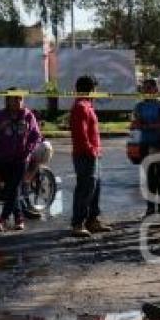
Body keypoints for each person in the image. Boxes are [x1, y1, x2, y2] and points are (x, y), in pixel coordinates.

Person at [70, 75, 112, 238]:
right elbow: (80, 134)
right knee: (85, 189)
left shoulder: (87, 105)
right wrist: (91, 150)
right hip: (85, 155)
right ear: (92, 89)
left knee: (95, 188)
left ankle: (92, 220)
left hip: (93, 154)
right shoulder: (81, 106)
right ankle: (77, 223)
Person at [0, 90, 41, 232]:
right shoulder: (0, 116)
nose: (18, 102)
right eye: (14, 99)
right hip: (3, 159)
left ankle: (1, 220)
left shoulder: (28, 115)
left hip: (21, 160)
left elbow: (35, 135)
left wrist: (28, 149)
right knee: (11, 190)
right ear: (7, 100)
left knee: (12, 188)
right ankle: (19, 218)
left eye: (20, 99)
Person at [133, 78, 160, 216]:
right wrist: (153, 126)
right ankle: (151, 207)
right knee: (149, 177)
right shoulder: (139, 106)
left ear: (156, 90)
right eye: (144, 88)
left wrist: (148, 126)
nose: (146, 91)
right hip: (145, 143)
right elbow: (137, 124)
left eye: (149, 88)